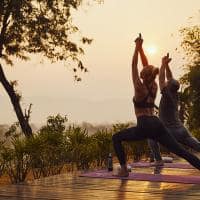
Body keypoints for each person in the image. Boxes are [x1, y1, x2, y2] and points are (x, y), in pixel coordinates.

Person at [112, 34, 200, 177]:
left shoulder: (139, 87)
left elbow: (134, 65)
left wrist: (136, 47)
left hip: (144, 125)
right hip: (157, 124)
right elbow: (147, 68)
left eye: (142, 74)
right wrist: (141, 49)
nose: (139, 74)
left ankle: (123, 170)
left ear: (144, 77)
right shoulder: (154, 86)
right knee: (182, 152)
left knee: (116, 138)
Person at [148, 53, 200, 165]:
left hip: (171, 131)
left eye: (167, 83)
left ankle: (159, 160)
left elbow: (161, 79)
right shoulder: (175, 94)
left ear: (168, 87)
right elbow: (169, 77)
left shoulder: (167, 95)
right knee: (196, 145)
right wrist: (167, 65)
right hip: (181, 129)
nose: (166, 81)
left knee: (151, 137)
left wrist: (162, 64)